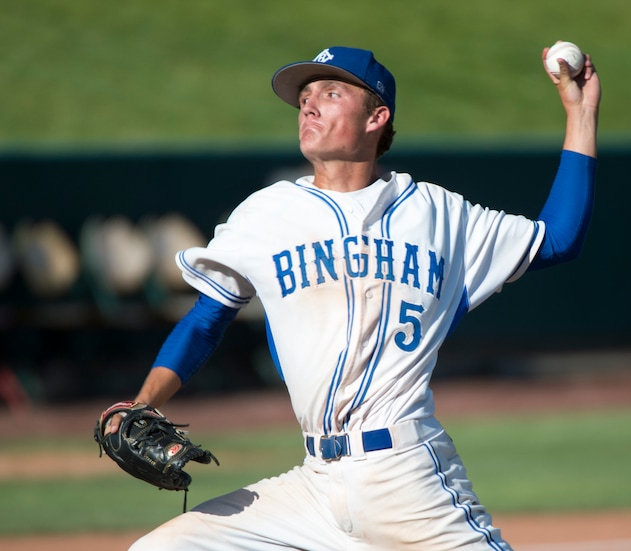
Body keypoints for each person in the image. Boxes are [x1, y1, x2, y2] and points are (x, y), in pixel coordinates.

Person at [112, 44, 600, 550]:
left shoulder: (439, 214)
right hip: (313, 487)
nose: (309, 105)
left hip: (406, 477)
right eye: (304, 97)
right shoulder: (266, 214)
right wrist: (141, 403)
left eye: (330, 91)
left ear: (377, 116)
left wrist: (580, 112)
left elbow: (559, 237)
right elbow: (207, 318)